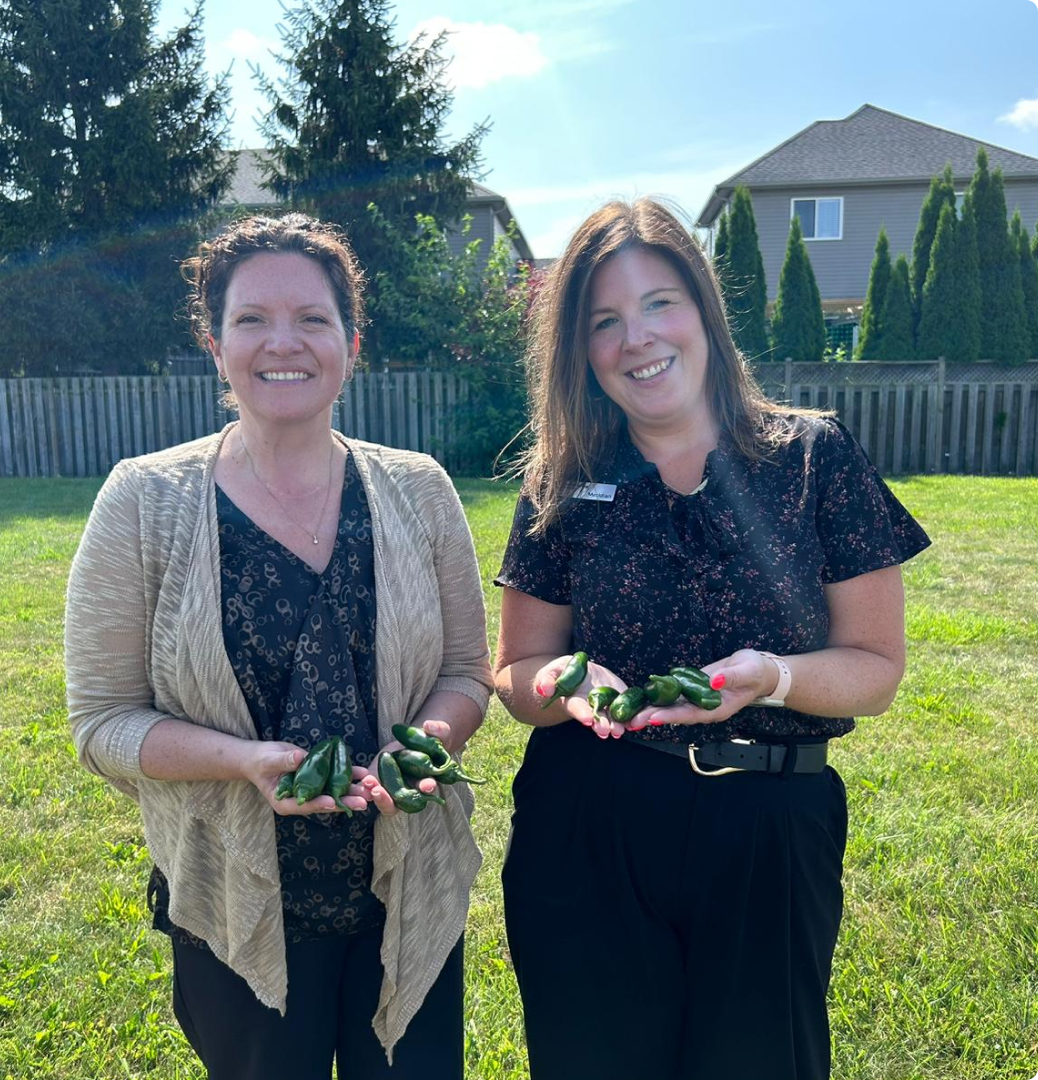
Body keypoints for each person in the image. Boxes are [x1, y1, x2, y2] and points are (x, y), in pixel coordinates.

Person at [493, 197, 930, 1080]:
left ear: (703, 310)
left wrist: (770, 677)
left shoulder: (814, 457)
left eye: (660, 303)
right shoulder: (563, 480)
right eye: (604, 320)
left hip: (767, 827)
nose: (637, 338)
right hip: (586, 825)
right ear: (580, 349)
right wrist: (569, 684)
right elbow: (514, 671)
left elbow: (875, 670)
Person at [64, 213, 492, 1080]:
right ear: (214, 342)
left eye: (312, 318)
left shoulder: (421, 491)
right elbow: (101, 722)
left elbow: (464, 675)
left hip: (403, 892)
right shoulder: (144, 501)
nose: (281, 342)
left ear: (351, 340)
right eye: (251, 318)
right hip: (235, 900)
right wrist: (244, 761)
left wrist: (426, 744)